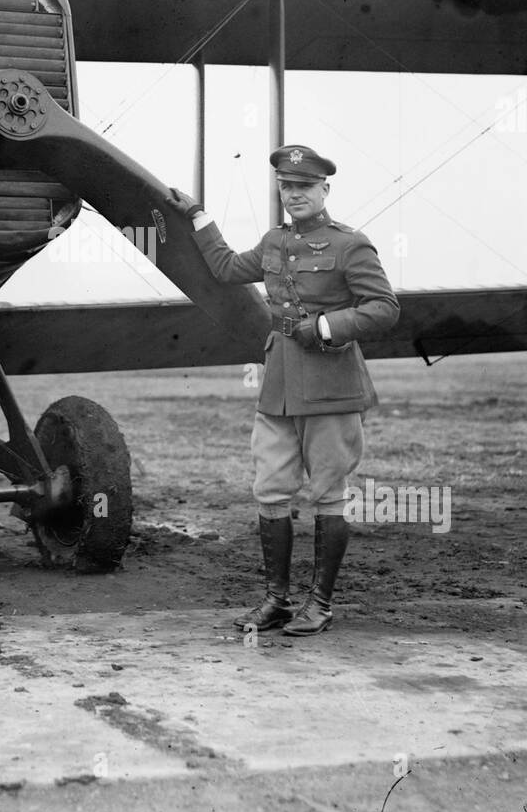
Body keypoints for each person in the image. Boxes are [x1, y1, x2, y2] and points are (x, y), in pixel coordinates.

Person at [168, 145, 399, 636]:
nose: (294, 195)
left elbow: (384, 308)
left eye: (304, 187)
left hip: (332, 382)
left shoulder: (350, 245)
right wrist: (199, 216)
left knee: (328, 492)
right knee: (270, 489)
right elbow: (227, 268)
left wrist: (329, 326)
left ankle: (321, 604)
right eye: (286, 188)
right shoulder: (274, 242)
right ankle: (277, 600)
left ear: (324, 190)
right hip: (279, 383)